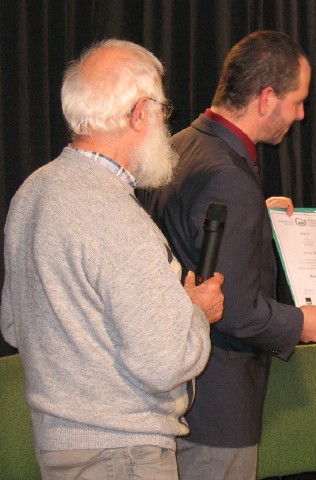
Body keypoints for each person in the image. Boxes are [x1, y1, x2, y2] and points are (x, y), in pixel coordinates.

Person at [1, 39, 225, 480]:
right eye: (162, 109)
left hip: (59, 450)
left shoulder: (31, 192)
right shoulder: (116, 216)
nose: (164, 121)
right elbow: (164, 363)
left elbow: (13, 324)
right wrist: (196, 312)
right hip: (122, 456)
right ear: (139, 113)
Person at [138, 30, 316, 480]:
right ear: (267, 97)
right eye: (298, 101)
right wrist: (298, 323)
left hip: (176, 393)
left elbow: (190, 243)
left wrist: (256, 221)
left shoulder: (185, 143)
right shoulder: (228, 174)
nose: (301, 114)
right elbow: (230, 309)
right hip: (216, 407)